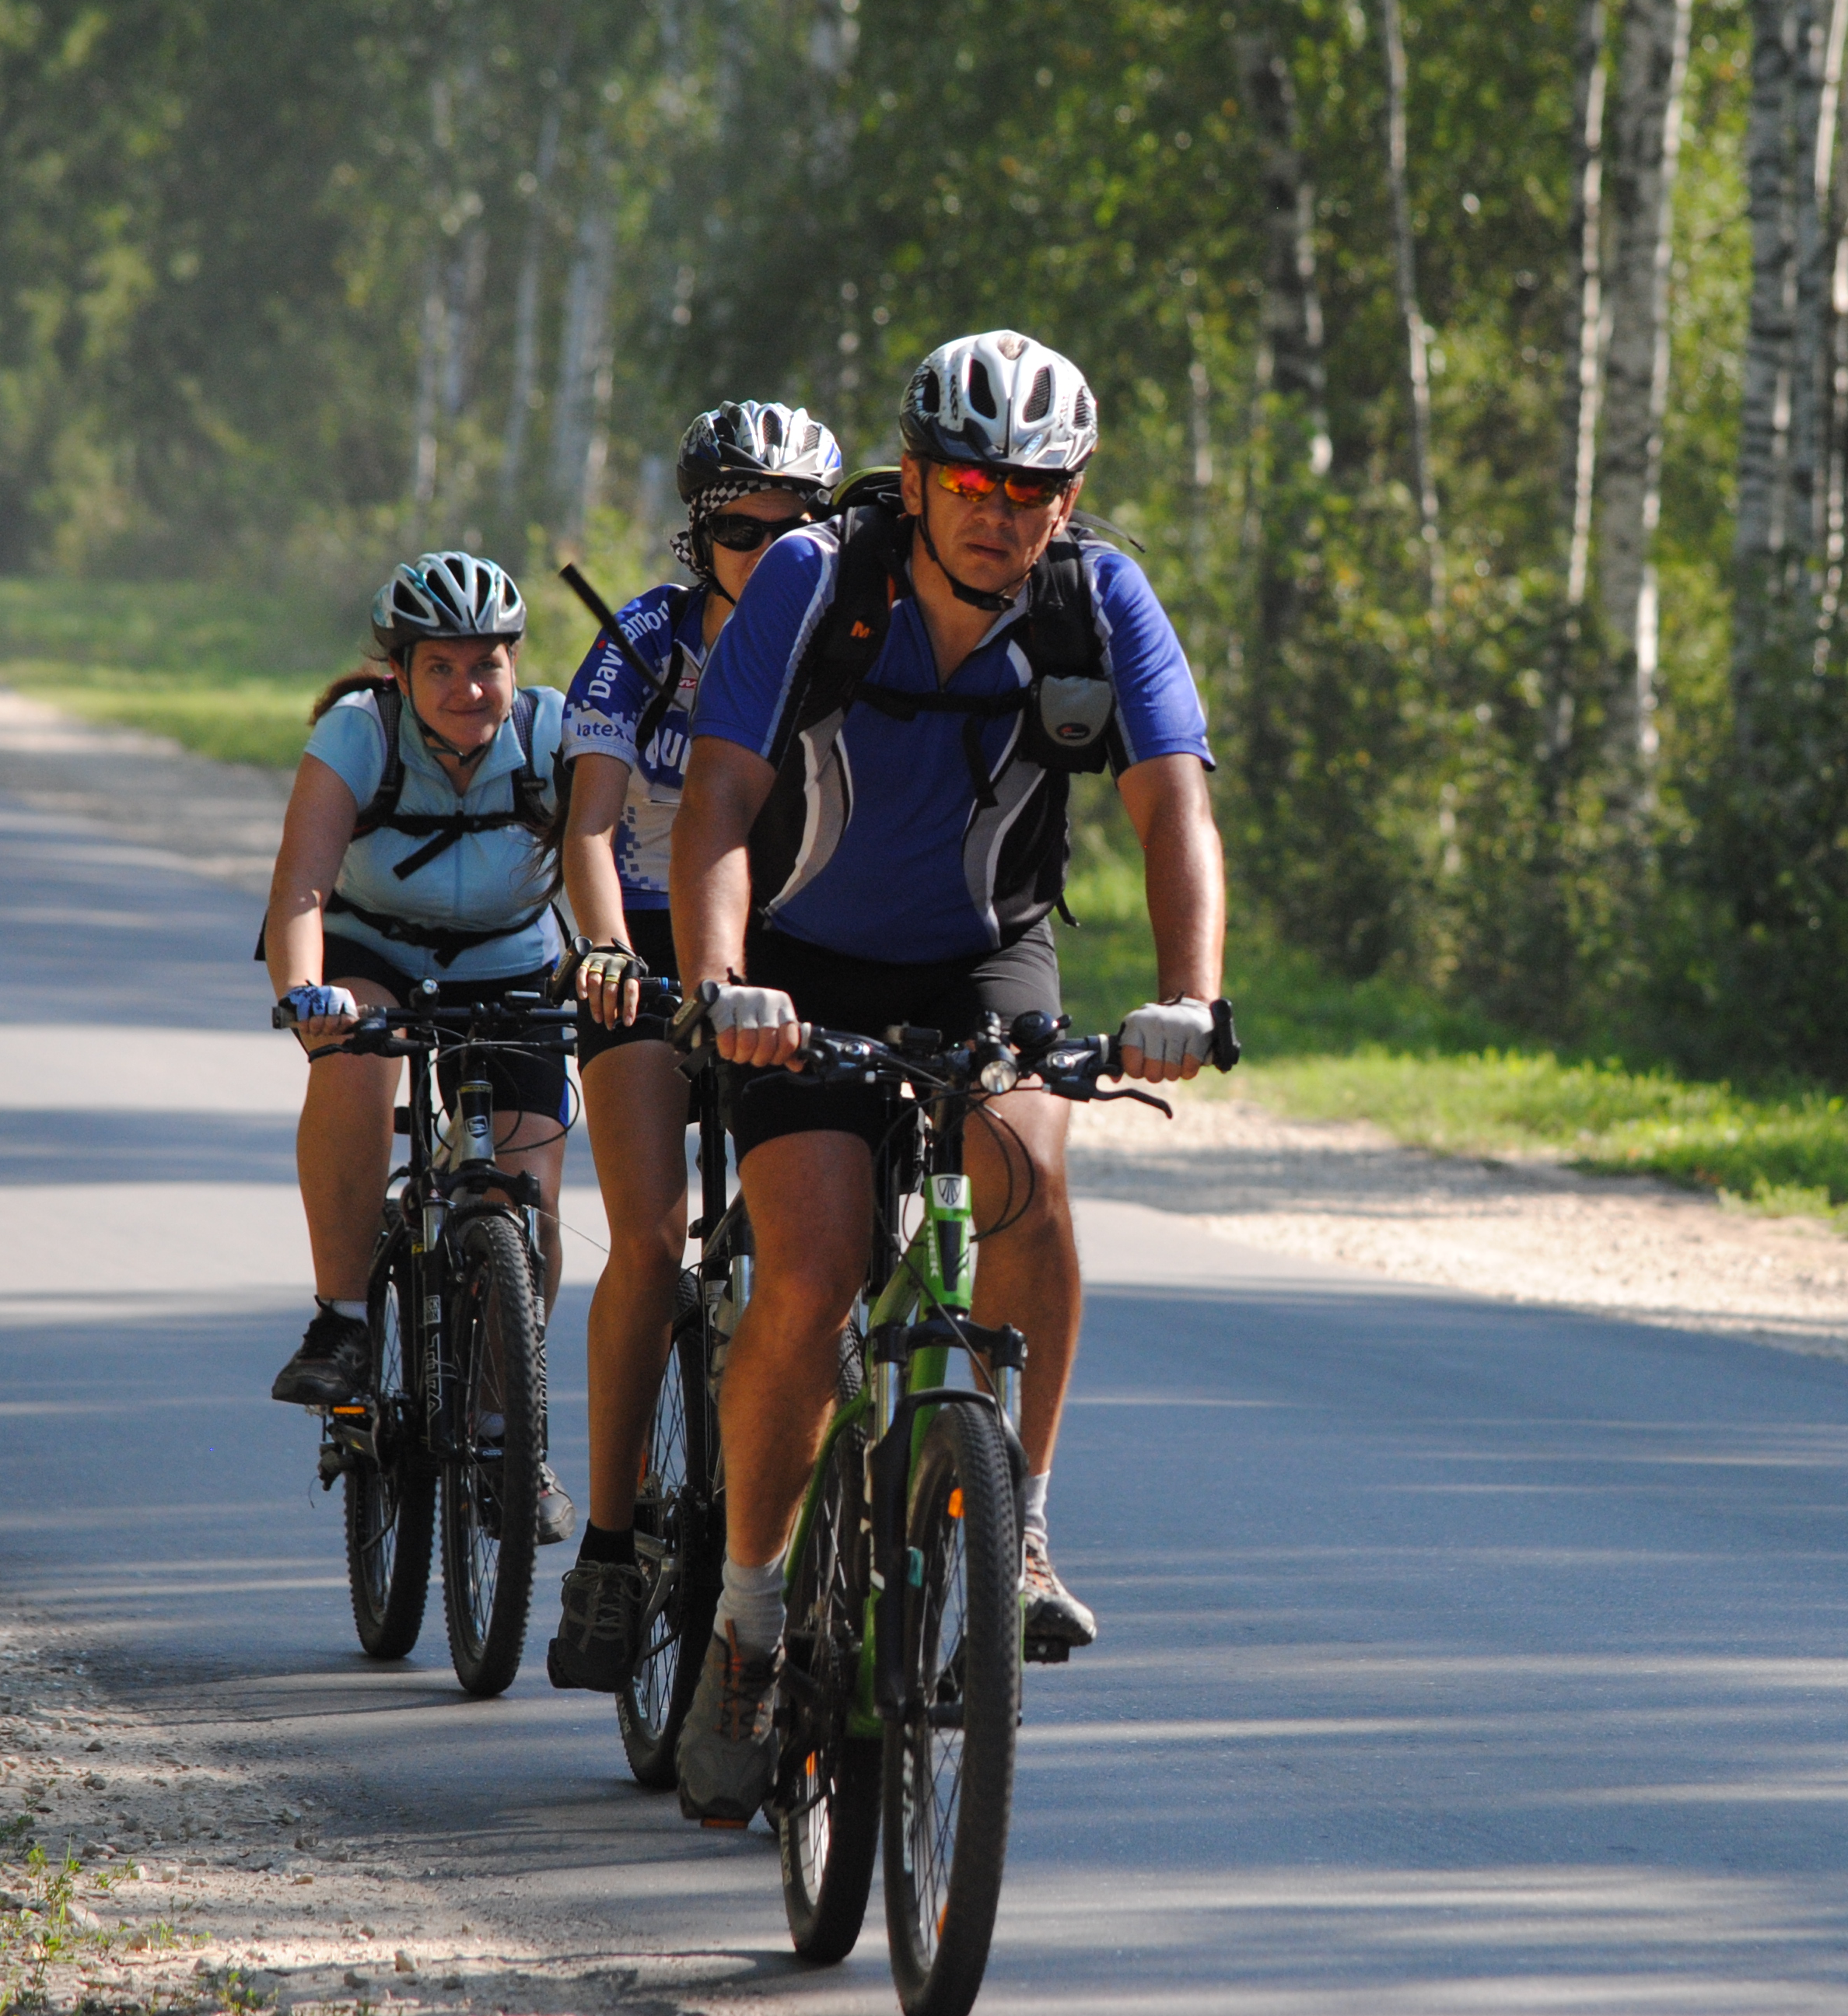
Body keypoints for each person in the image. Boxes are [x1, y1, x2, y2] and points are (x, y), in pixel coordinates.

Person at [665, 330, 1229, 1823]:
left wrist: (1188, 995)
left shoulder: (1097, 599)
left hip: (987, 955)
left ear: (1069, 494)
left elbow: (1174, 807)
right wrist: (721, 983)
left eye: (1031, 487)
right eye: (971, 482)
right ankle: (748, 1616)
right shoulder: (813, 579)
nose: (999, 510)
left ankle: (1018, 1521)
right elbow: (718, 797)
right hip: (798, 967)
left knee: (1030, 1173)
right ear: (913, 480)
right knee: (812, 1268)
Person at [544, 403, 843, 1693]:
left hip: (785, 945)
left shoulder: (846, 639)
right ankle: (611, 1544)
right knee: (653, 1239)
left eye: (799, 528)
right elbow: (590, 827)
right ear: (697, 533)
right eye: (741, 529)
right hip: (648, 943)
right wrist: (607, 952)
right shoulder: (646, 642)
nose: (768, 552)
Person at [262, 549, 577, 1543]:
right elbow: (301, 887)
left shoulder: (552, 734)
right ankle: (344, 1321)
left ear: (515, 665)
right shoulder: (358, 733)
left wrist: (616, 966)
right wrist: (306, 994)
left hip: (511, 960)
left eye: (487, 664)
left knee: (529, 1199)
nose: (467, 687)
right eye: (440, 667)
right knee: (358, 1066)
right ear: (399, 672)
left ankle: (504, 1431)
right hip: (374, 952)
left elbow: (604, 861)